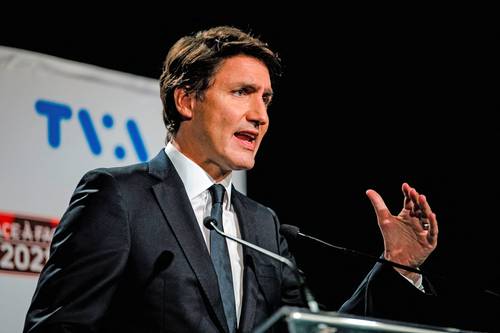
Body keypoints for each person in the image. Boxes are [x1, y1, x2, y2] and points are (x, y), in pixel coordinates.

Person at [23, 26, 440, 333]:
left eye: (266, 99)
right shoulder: (118, 197)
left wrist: (397, 266)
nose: (260, 115)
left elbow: (312, 330)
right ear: (186, 100)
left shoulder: (262, 225)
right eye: (242, 92)